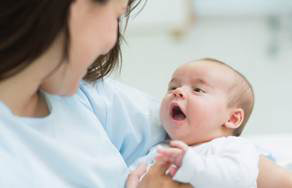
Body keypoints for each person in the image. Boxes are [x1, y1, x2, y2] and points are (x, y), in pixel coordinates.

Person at [0, 1, 291, 188]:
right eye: (116, 16)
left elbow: (239, 158)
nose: (111, 40)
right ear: (78, 8)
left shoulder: (82, 94)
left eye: (197, 89)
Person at [127, 58, 259, 188]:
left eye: (197, 90)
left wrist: (193, 166)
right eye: (173, 87)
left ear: (232, 119)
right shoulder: (159, 151)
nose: (178, 91)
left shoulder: (234, 147)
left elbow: (240, 178)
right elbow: (134, 176)